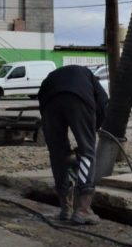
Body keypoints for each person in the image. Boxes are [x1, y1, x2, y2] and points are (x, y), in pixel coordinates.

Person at [37, 64, 108, 225]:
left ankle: (65, 209)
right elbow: (104, 104)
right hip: (77, 97)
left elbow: (41, 99)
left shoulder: (58, 74)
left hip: (48, 101)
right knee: (87, 152)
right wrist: (92, 131)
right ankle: (83, 210)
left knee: (57, 154)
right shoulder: (90, 78)